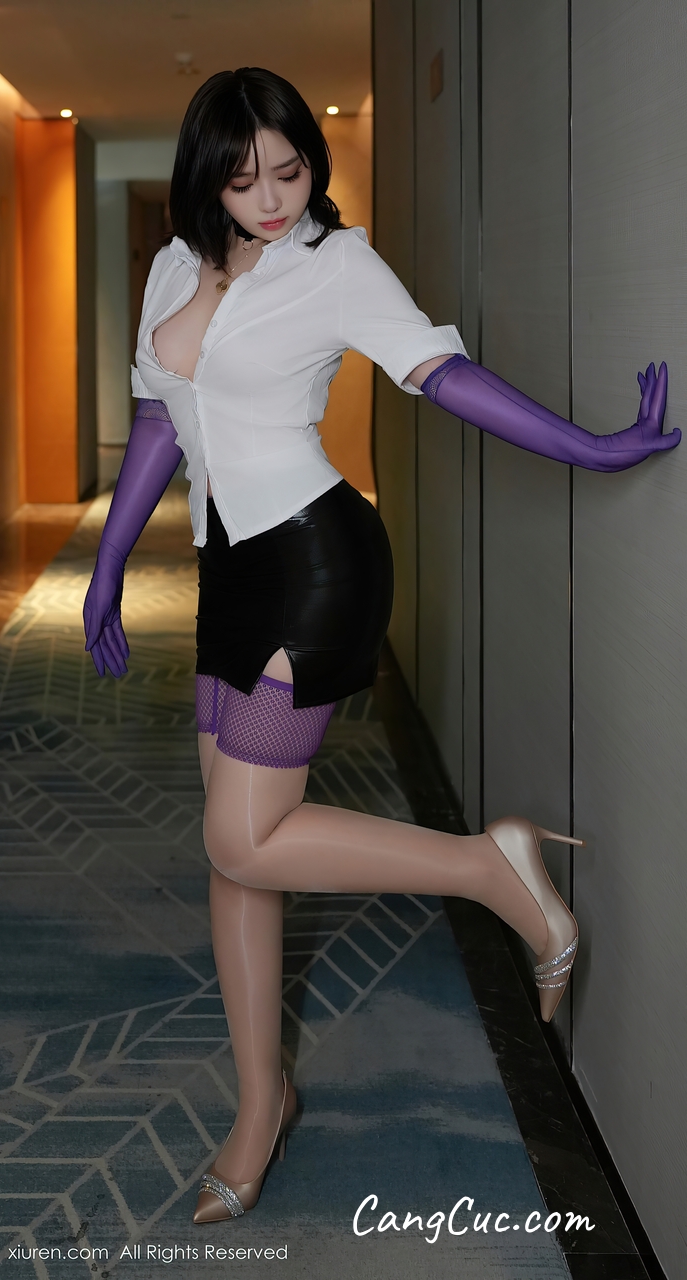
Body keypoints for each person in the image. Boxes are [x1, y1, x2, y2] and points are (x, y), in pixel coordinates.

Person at [83, 68, 679, 1225]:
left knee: (241, 832)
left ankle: (490, 868)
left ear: (311, 163)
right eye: (243, 179)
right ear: (206, 181)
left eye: (289, 171)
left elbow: (440, 374)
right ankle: (261, 1101)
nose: (270, 198)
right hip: (226, 571)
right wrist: (108, 561)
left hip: (316, 561)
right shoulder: (174, 264)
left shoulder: (337, 264)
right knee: (238, 857)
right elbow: (162, 418)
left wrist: (591, 446)